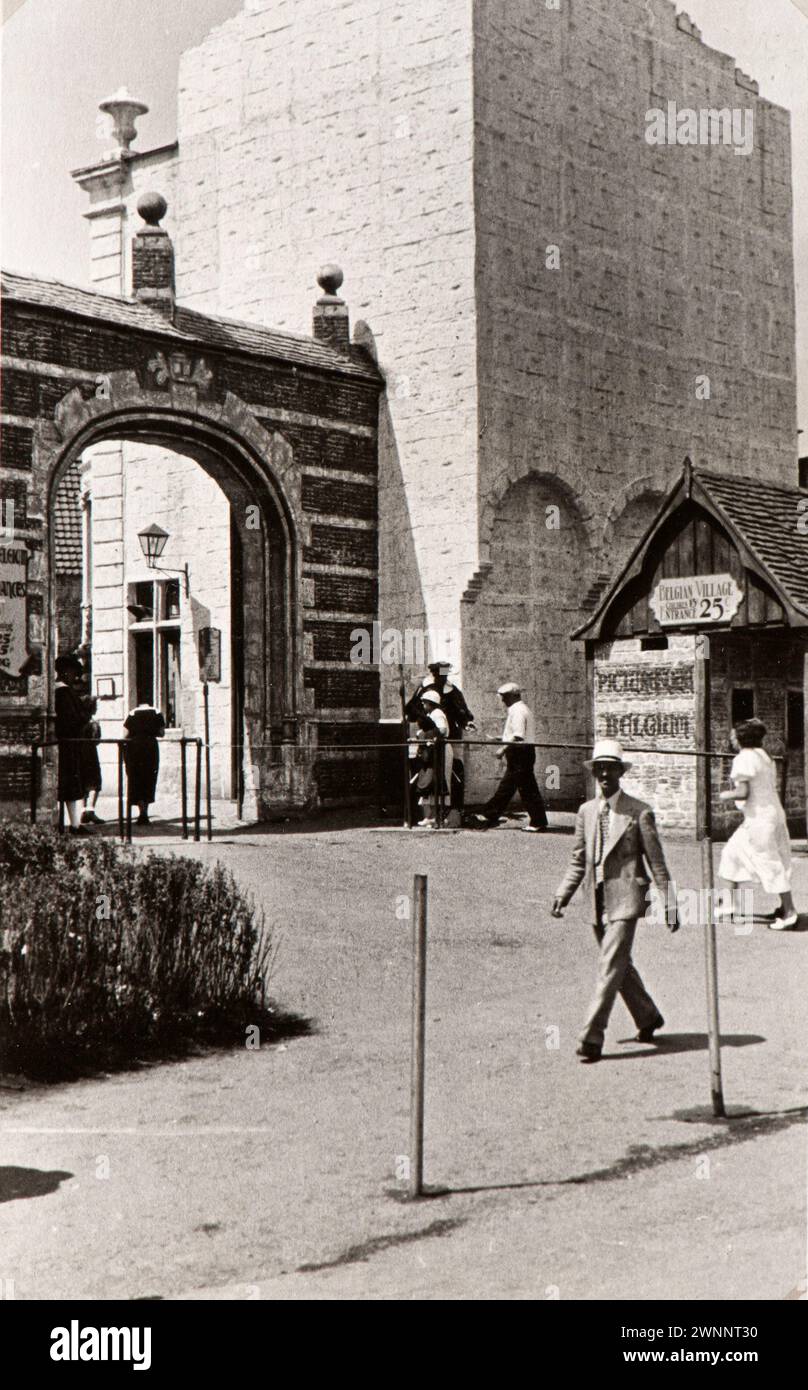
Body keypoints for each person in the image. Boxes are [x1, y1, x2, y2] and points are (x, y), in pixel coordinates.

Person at [551, 739, 679, 1062]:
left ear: (621, 772)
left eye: (611, 768)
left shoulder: (639, 813)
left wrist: (671, 903)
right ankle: (647, 1015)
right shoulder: (586, 812)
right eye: (599, 768)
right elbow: (579, 860)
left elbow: (657, 863)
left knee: (609, 966)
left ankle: (591, 1037)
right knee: (620, 966)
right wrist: (563, 893)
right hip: (596, 898)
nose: (604, 774)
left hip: (627, 898)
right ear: (594, 772)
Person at [718, 718, 798, 931]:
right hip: (772, 815)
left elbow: (744, 792)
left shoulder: (743, 759)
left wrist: (726, 794)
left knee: (770, 864)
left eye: (734, 735)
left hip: (759, 821)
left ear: (742, 738)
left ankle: (789, 912)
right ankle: (728, 905)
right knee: (731, 854)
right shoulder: (764, 755)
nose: (731, 739)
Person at [405, 661, 475, 823]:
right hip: (428, 739)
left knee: (452, 772)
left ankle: (453, 811)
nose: (441, 677)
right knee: (427, 775)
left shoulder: (453, 690)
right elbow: (412, 711)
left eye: (444, 674)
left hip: (449, 738)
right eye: (438, 674)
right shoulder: (425, 689)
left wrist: (466, 721)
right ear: (433, 673)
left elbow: (461, 710)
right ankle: (428, 814)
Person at [475, 683, 548, 831]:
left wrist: (502, 749)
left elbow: (518, 736)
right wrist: (500, 738)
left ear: (515, 696)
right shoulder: (522, 709)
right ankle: (538, 821)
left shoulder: (517, 711)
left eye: (506, 697)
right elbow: (515, 734)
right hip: (524, 752)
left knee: (509, 787)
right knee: (525, 788)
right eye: (503, 697)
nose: (503, 701)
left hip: (519, 753)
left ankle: (489, 815)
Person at [54, 653, 91, 834]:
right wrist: (86, 715)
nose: (75, 677)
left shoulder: (61, 691)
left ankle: (74, 823)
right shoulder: (63, 692)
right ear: (65, 672)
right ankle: (72, 824)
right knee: (69, 783)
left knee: (70, 785)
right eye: (73, 672)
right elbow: (72, 719)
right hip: (68, 745)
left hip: (68, 743)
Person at [410, 690, 452, 826]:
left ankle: (438, 816)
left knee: (437, 780)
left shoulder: (437, 714)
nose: (423, 705)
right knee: (429, 780)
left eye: (425, 702)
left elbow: (442, 730)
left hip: (439, 749)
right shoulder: (430, 715)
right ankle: (430, 816)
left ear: (432, 703)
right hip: (431, 750)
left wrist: (423, 734)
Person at [123, 702, 166, 826]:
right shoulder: (157, 712)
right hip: (150, 748)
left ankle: (140, 810)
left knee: (136, 778)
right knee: (149, 778)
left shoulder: (132, 713)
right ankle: (145, 812)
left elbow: (125, 734)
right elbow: (162, 733)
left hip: (134, 748)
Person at [80, 696, 104, 825]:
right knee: (95, 781)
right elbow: (97, 741)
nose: (96, 708)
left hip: (79, 754)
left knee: (83, 781)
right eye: (95, 706)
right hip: (90, 754)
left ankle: (83, 811)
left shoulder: (78, 721)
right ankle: (91, 811)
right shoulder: (93, 722)